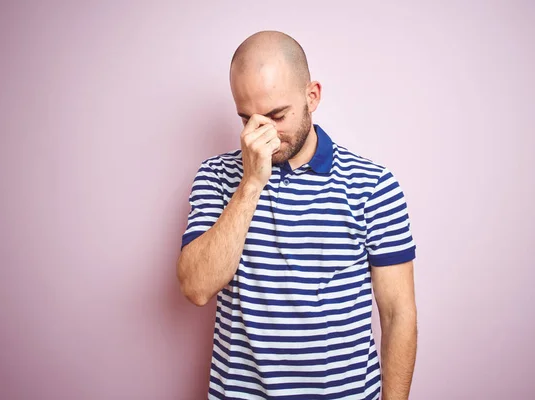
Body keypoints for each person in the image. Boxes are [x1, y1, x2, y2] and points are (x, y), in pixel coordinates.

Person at [176, 30, 418, 400]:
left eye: (277, 115)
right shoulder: (215, 177)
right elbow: (196, 288)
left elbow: (398, 314)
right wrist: (251, 184)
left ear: (312, 96)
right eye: (248, 119)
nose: (263, 134)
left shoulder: (373, 185)